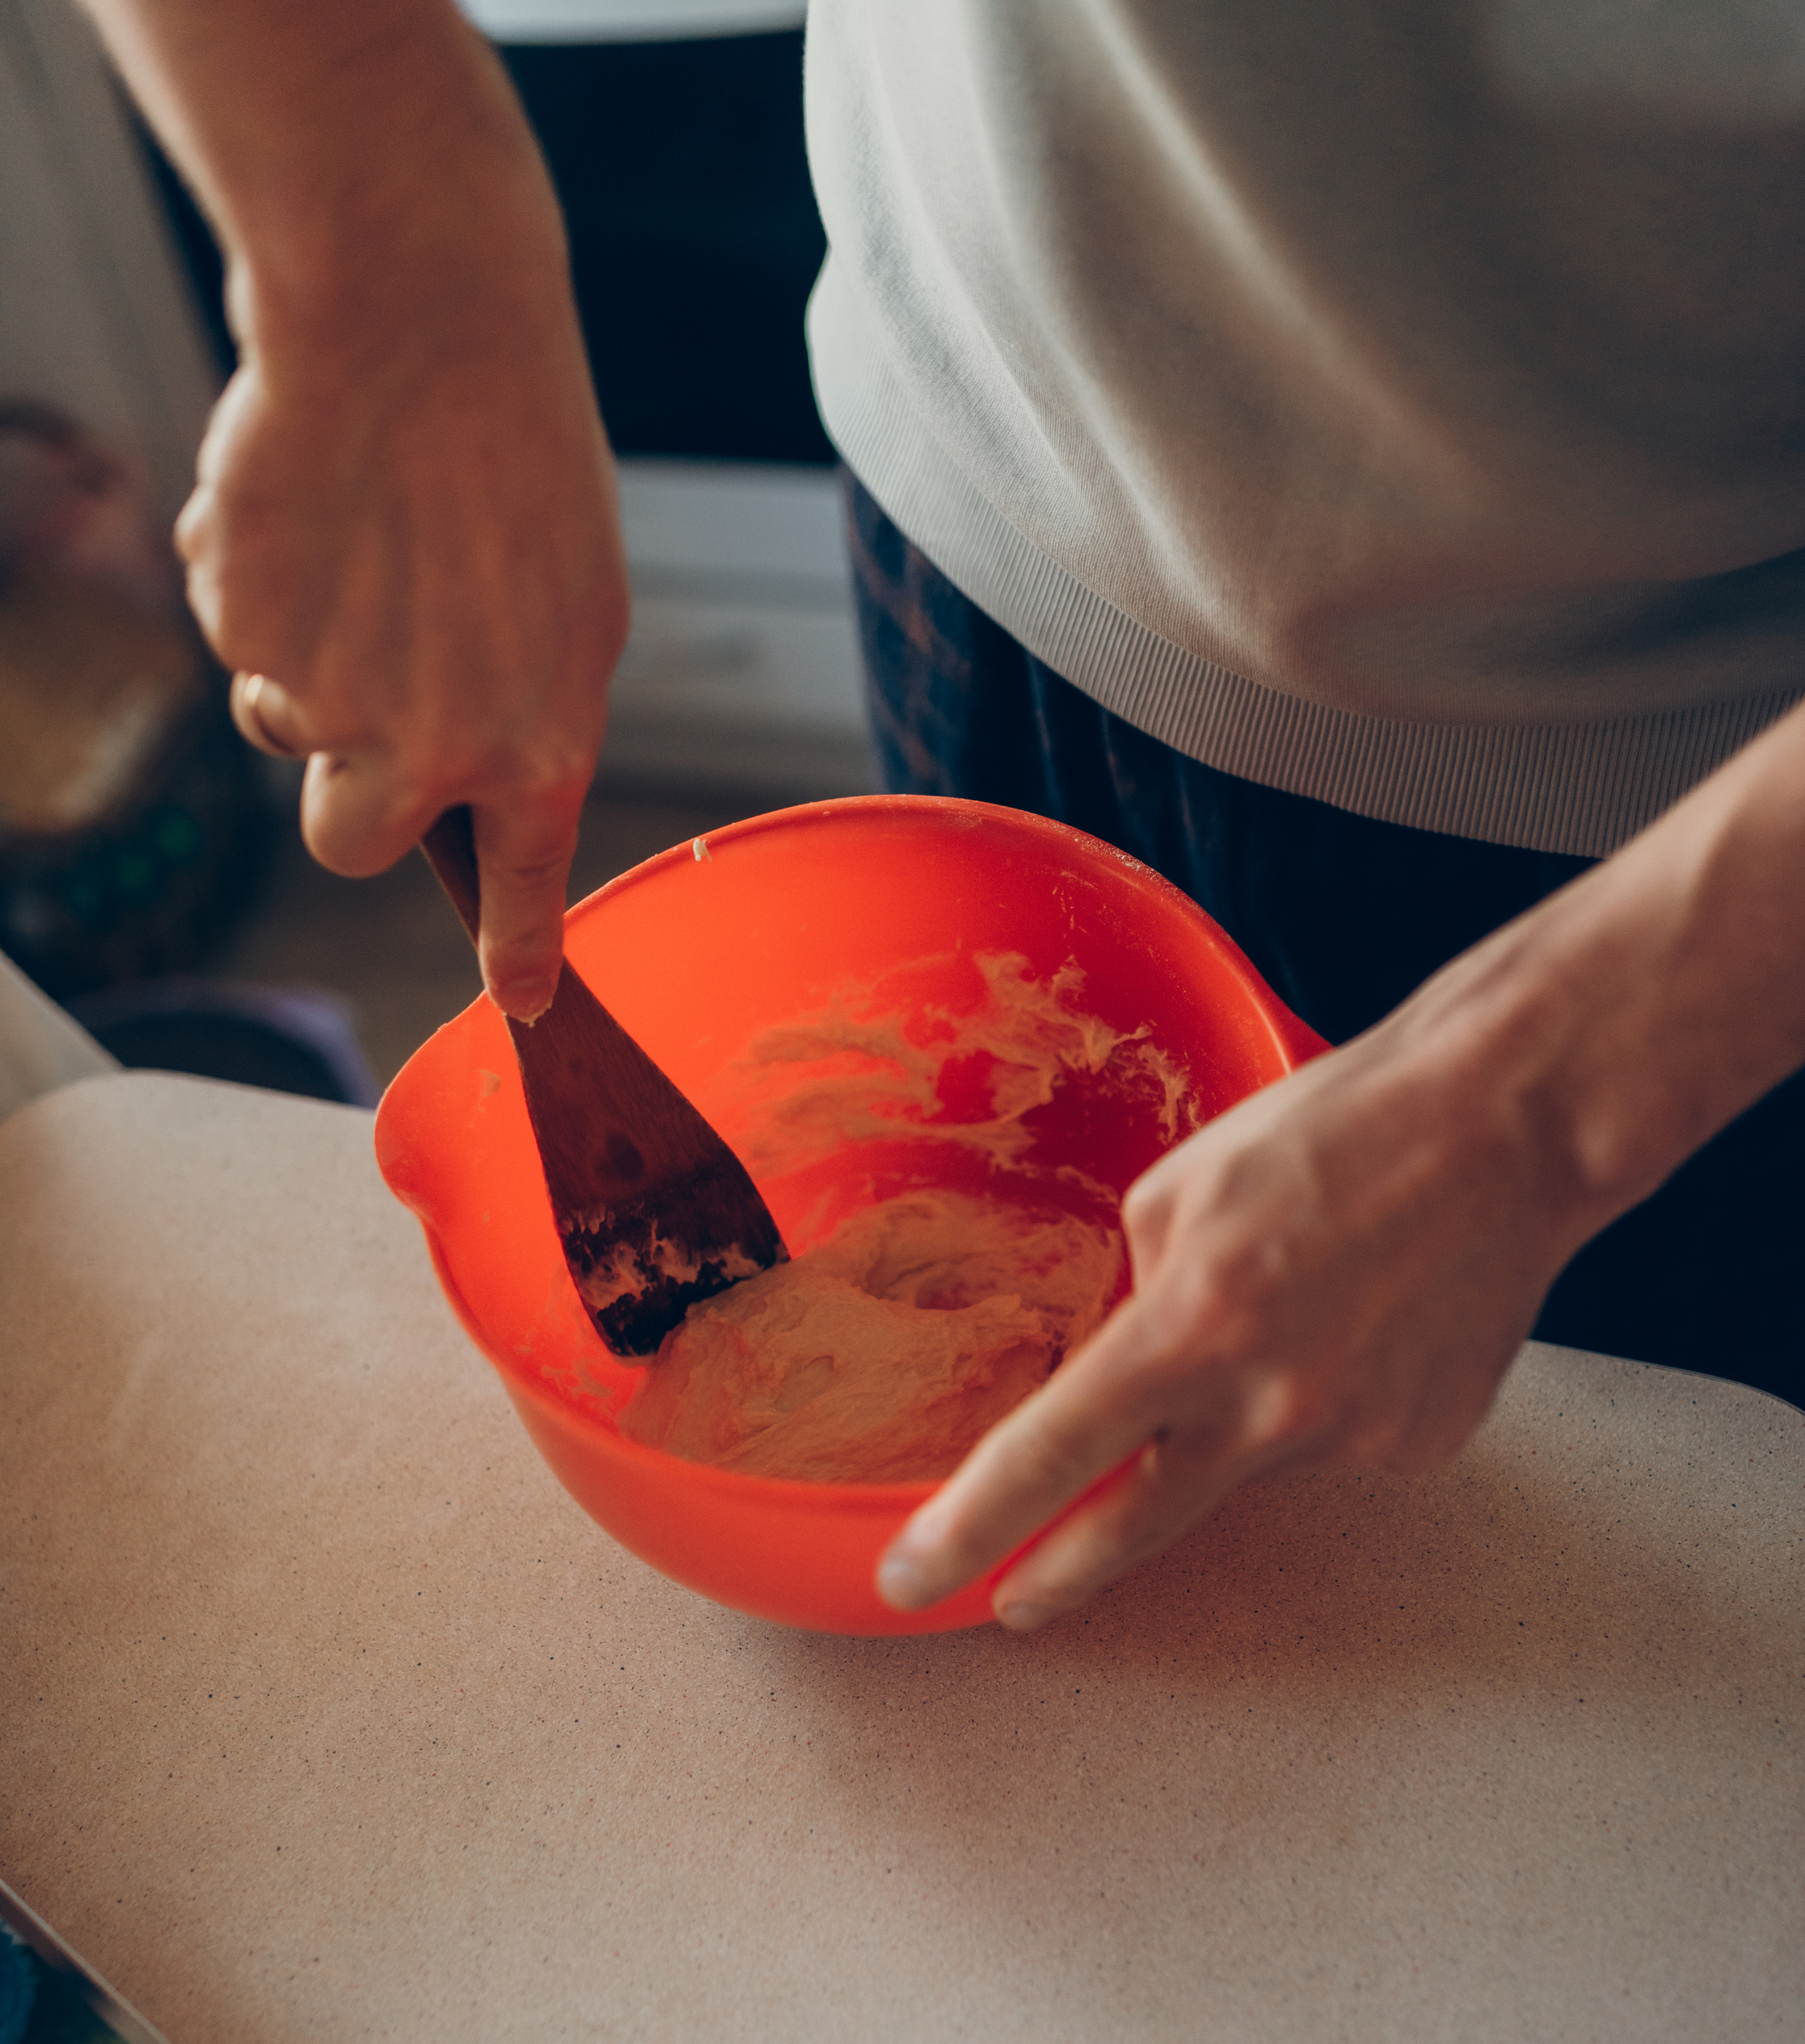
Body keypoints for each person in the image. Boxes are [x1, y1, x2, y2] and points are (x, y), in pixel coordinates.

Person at [85, 0, 1805, 1633]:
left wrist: (1549, 1103)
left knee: (1583, 1524)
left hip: (1656, 818)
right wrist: (376, 246)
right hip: (984, 488)